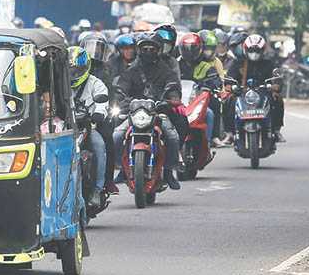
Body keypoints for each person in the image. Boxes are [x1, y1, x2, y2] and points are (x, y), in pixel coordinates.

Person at [113, 33, 182, 190]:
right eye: (145, 48)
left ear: (157, 51)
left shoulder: (165, 70)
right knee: (116, 136)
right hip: (134, 114)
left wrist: (171, 98)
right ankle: (124, 170)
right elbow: (120, 88)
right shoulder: (131, 71)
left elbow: (173, 86)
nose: (148, 52)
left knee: (172, 136)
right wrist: (120, 99)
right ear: (139, 50)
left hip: (158, 113)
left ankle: (169, 171)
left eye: (152, 49)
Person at [226, 34, 285, 143]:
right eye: (251, 50)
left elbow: (277, 79)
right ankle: (230, 133)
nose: (254, 53)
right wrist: (232, 86)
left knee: (278, 100)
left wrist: (274, 86)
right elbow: (228, 79)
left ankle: (276, 130)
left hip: (264, 92)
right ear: (245, 49)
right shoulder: (238, 63)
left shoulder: (269, 63)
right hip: (242, 93)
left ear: (262, 50)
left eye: (257, 50)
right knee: (229, 101)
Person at [69, 46, 108, 207]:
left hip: (89, 127)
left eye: (77, 70)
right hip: (67, 128)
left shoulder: (96, 83)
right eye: (70, 71)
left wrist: (98, 114)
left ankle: (98, 190)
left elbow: (103, 103)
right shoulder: (61, 84)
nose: (74, 74)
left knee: (99, 146)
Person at [179, 33, 224, 147]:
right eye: (186, 49)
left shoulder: (206, 65)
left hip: (198, 100)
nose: (189, 52)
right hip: (179, 101)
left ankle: (207, 142)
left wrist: (208, 86)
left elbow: (216, 80)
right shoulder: (176, 64)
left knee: (209, 113)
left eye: (192, 49)